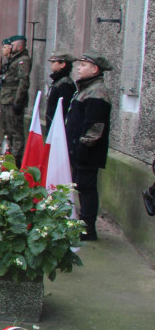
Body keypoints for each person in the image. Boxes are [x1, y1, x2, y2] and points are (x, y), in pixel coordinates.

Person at [65, 51, 113, 242]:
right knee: (82, 187)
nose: (78, 67)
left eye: (83, 65)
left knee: (86, 188)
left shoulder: (97, 92)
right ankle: (83, 224)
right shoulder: (87, 89)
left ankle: (87, 229)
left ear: (95, 69)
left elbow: (94, 126)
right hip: (79, 150)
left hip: (86, 152)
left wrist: (82, 149)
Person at [0, 34, 31, 165]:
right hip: (6, 99)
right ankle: (8, 157)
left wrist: (17, 102)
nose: (3, 49)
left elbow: (23, 82)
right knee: (8, 131)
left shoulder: (23, 60)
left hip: (13, 101)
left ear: (16, 46)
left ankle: (15, 162)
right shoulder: (12, 60)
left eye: (6, 47)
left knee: (15, 133)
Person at [45, 51, 76, 132]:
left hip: (58, 128)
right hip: (53, 124)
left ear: (62, 64)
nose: (51, 64)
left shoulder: (65, 84)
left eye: (53, 62)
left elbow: (64, 109)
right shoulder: (58, 81)